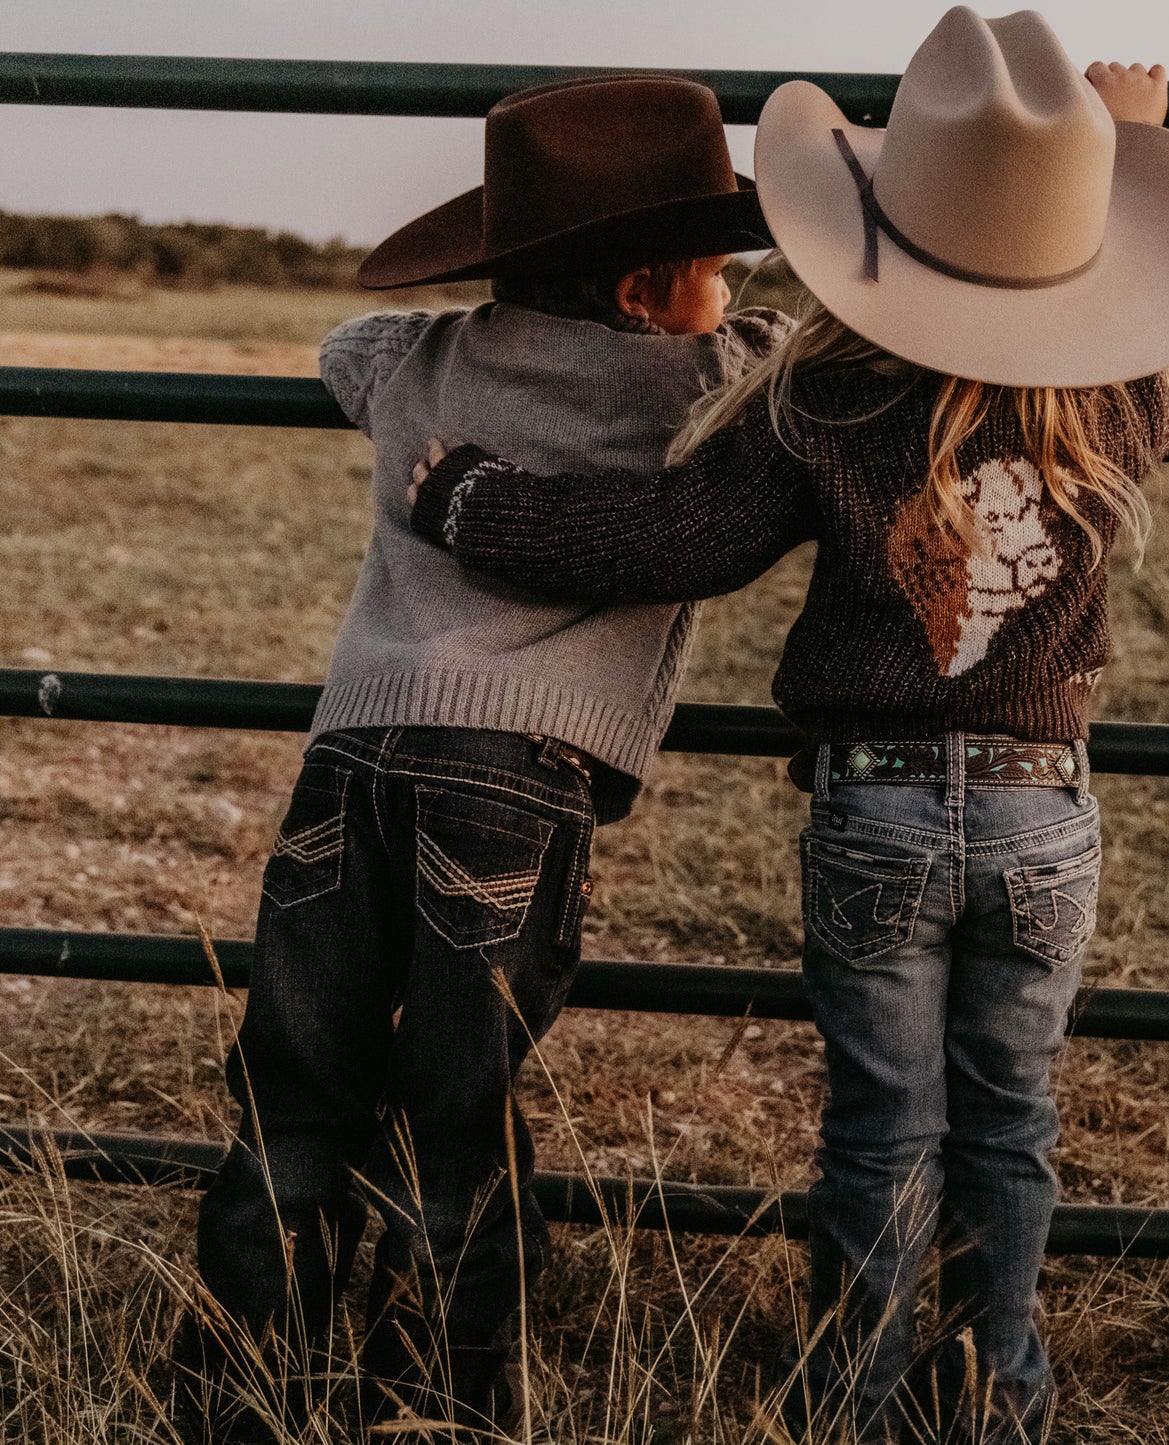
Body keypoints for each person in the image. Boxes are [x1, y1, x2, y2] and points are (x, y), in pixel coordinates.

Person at [406, 11, 1169, 1442]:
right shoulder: (1118, 393)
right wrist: (1137, 149)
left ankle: (850, 1399)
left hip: (875, 807)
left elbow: (676, 533)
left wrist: (471, 502)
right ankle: (996, 1399)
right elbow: (1166, 328)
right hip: (1044, 810)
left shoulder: (826, 390)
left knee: (879, 1128)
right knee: (1012, 1123)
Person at [172, 74, 782, 1442]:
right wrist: (721, 324)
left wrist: (477, 321)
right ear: (643, 290)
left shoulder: (419, 363)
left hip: (354, 751)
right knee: (456, 1107)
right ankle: (443, 1405)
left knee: (292, 1087)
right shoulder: (707, 381)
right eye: (713, 271)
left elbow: (346, 345)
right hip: (510, 778)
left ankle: (232, 1395)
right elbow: (777, 360)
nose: (728, 295)